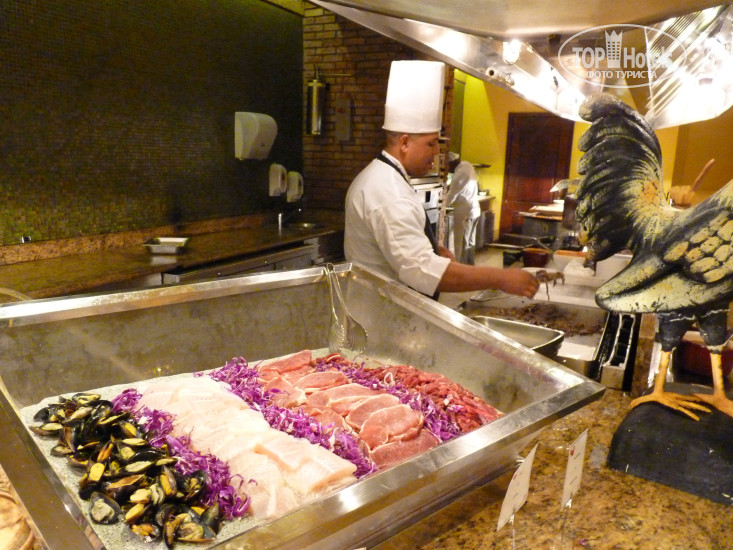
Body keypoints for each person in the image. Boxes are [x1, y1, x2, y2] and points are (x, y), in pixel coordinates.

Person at [344, 60, 538, 300]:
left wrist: (432, 250)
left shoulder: (383, 177)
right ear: (404, 143)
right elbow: (422, 271)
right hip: (381, 315)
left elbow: (398, 248)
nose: (437, 151)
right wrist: (501, 278)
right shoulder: (388, 191)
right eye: (431, 143)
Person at [446, 159, 481, 265]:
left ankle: (463, 266)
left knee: (462, 243)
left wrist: (442, 205)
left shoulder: (459, 175)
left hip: (465, 213)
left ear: (452, 164)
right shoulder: (468, 165)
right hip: (475, 210)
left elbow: (451, 196)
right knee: (470, 242)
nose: (448, 170)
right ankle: (471, 265)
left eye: (448, 167)